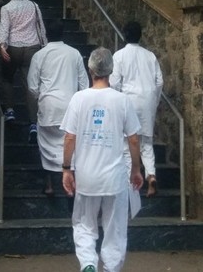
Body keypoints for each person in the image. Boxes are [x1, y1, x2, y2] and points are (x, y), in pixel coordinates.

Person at [61, 47, 143, 272]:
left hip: (86, 176)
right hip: (114, 177)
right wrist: (136, 169)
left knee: (84, 224)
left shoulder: (79, 99)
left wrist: (67, 168)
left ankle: (88, 263)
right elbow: (133, 139)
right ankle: (111, 268)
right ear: (111, 71)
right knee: (115, 229)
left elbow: (69, 138)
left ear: (90, 69)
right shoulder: (122, 100)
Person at [27, 19, 89, 195]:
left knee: (46, 147)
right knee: (70, 145)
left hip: (48, 106)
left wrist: (41, 97)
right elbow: (84, 84)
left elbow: (32, 86)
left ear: (46, 34)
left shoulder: (39, 55)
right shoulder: (75, 54)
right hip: (70, 106)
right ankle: (71, 183)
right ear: (63, 34)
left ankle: (49, 185)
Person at [110, 20, 164, 197]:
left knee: (127, 143)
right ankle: (151, 175)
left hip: (128, 100)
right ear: (140, 36)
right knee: (146, 142)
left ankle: (130, 183)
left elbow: (114, 82)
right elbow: (159, 81)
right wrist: (154, 100)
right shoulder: (150, 56)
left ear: (124, 35)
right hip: (148, 100)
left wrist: (117, 101)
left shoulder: (119, 56)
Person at [0, 0, 46, 133]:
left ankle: (10, 110)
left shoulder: (6, 8)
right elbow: (40, 27)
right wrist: (44, 45)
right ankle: (33, 122)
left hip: (13, 47)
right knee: (30, 84)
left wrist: (2, 45)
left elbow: (4, 28)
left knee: (7, 79)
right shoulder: (34, 6)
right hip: (32, 47)